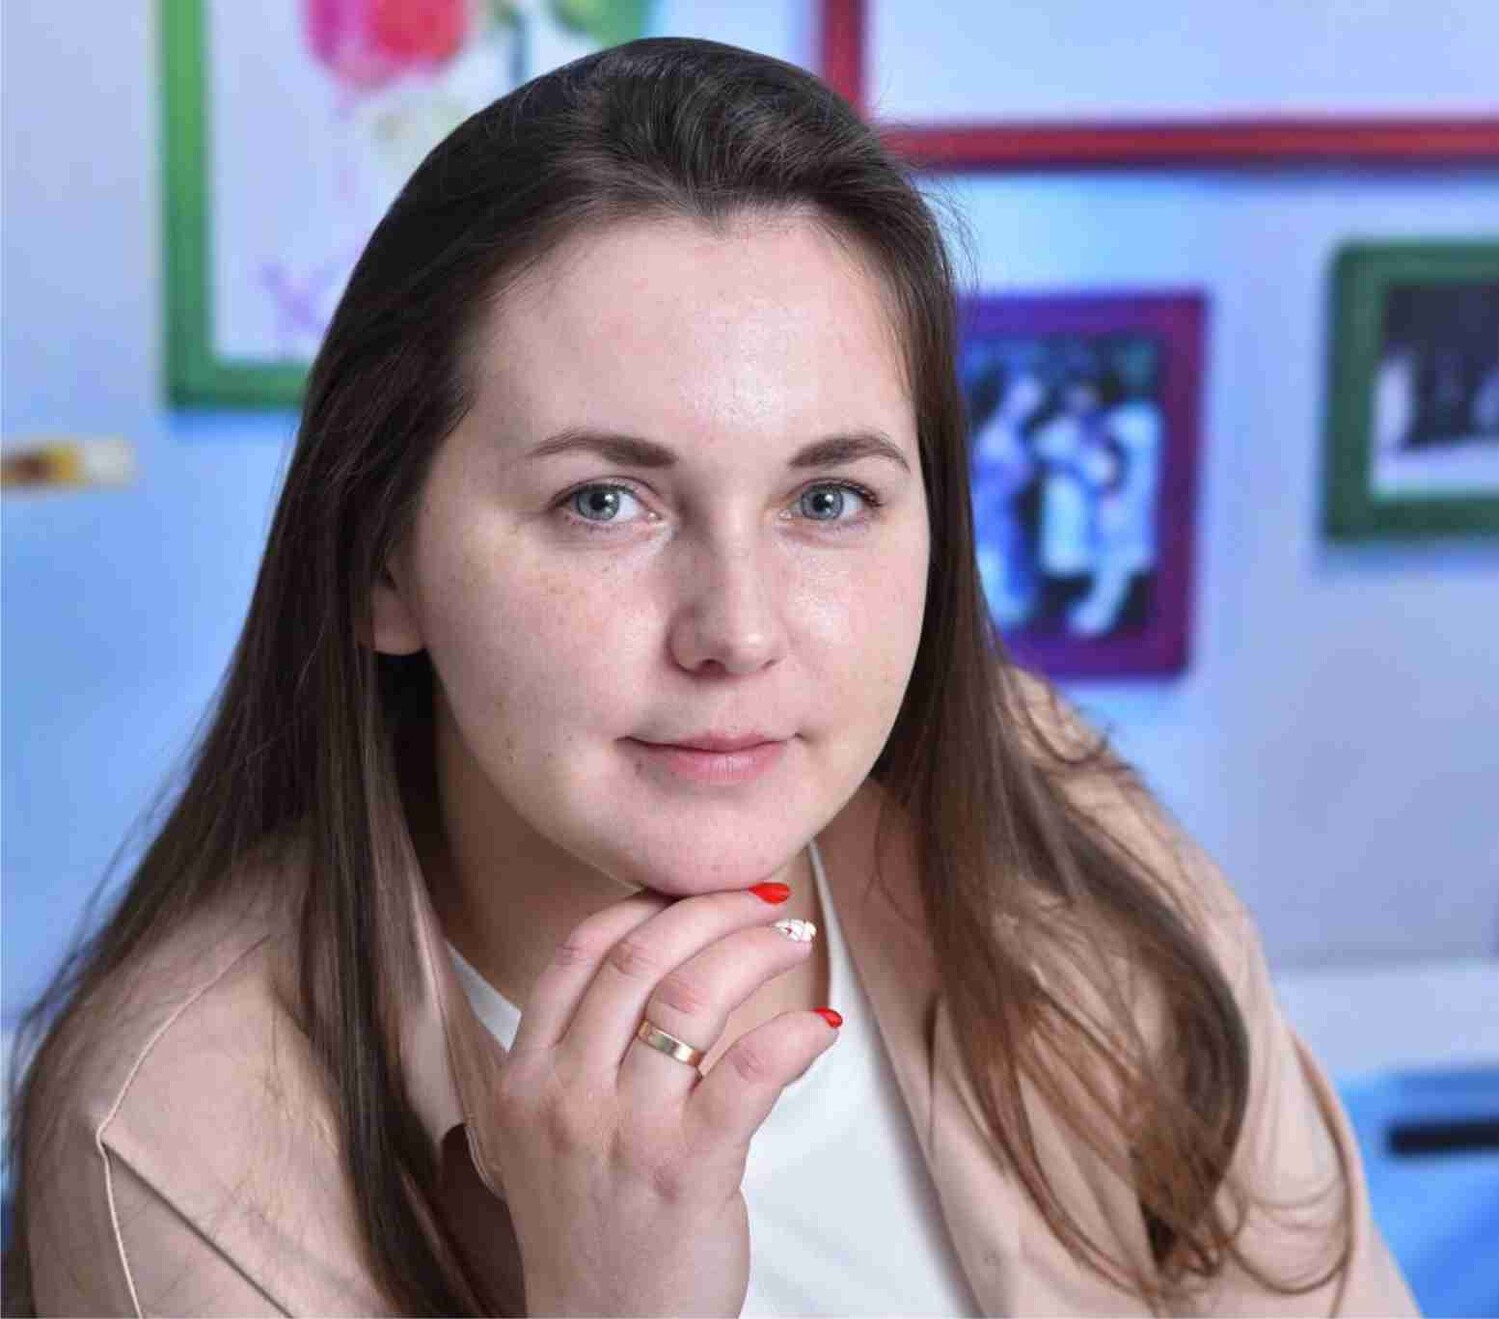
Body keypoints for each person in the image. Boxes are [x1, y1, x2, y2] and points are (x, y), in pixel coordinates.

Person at [4, 37, 1418, 1317]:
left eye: (828, 499)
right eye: (604, 502)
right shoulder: (175, 1142)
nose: (736, 633)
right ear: (385, 566)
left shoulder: (1058, 828)